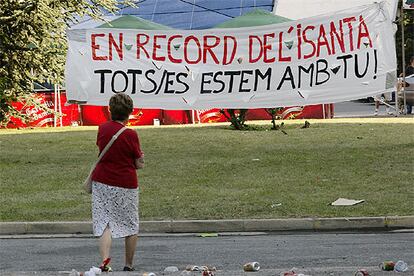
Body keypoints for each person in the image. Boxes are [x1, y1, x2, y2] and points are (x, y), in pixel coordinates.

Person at [91, 93, 144, 272]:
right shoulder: (131, 134)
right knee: (130, 223)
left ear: (110, 110)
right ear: (130, 112)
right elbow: (138, 163)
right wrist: (141, 159)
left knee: (104, 221)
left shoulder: (102, 128)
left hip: (102, 180)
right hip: (125, 183)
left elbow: (102, 149)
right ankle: (128, 264)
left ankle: (105, 261)